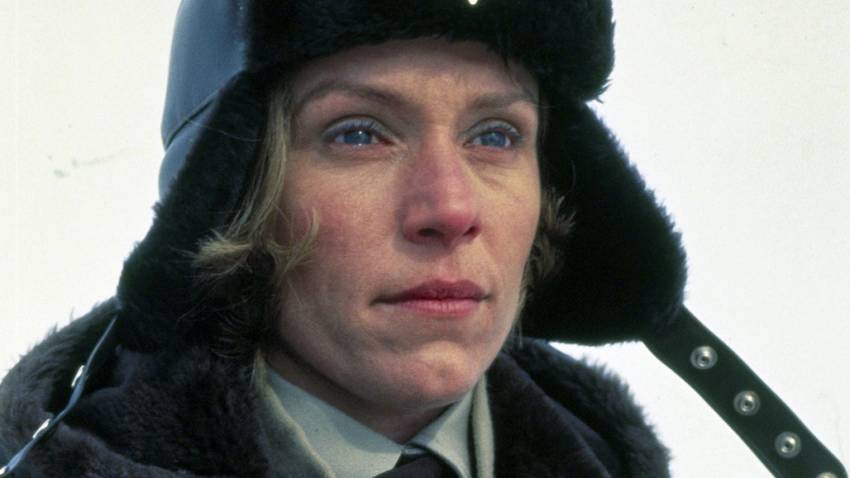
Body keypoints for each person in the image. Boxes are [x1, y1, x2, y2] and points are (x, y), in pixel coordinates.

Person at [1, 2, 845, 478]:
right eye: (359, 134)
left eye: (495, 136)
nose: (450, 208)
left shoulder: (605, 458)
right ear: (230, 194)